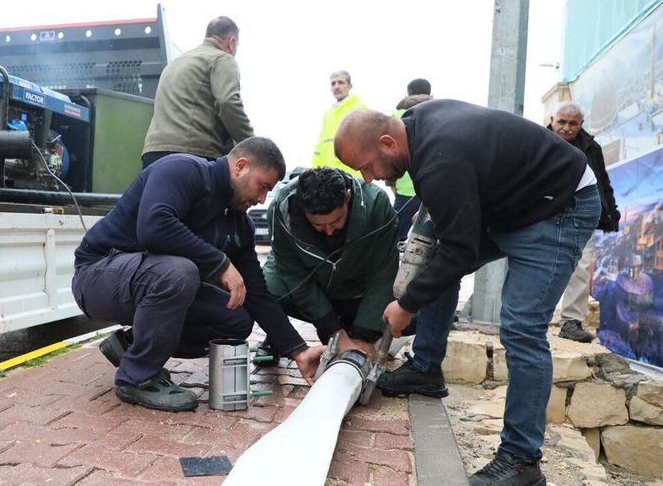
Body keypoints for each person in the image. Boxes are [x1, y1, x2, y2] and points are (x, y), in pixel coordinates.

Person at [334, 100, 600, 486]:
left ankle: (521, 461)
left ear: (389, 143)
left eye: (366, 166)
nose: (369, 177)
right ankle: (425, 369)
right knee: (433, 265)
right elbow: (453, 228)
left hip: (558, 205)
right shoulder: (419, 127)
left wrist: (406, 304)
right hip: (515, 201)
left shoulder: (441, 161)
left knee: (522, 327)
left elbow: (460, 249)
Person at [72, 136, 323, 412]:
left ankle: (133, 345)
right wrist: (220, 263)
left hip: (147, 281)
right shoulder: (183, 170)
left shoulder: (240, 224)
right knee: (181, 272)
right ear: (240, 166)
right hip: (98, 275)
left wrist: (298, 350)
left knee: (235, 320)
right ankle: (137, 377)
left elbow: (257, 293)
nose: (262, 198)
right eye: (262, 186)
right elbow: (154, 227)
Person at [255, 166, 457, 368]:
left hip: (354, 291)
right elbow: (293, 274)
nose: (328, 231)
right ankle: (278, 338)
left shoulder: (376, 204)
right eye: (318, 225)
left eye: (335, 221)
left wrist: (362, 336)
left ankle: (357, 329)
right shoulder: (282, 209)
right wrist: (333, 330)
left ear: (348, 197)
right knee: (264, 291)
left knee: (414, 313)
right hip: (307, 282)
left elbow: (383, 273)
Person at [548, 101, 621, 343]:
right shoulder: (537, 139)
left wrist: (611, 214)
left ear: (580, 124)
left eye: (573, 123)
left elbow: (602, 181)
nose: (567, 128)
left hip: (581, 214)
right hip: (544, 213)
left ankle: (571, 321)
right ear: (552, 119)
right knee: (537, 262)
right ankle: (530, 317)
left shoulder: (591, 147)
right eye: (562, 122)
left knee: (580, 267)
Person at [141, 16, 253, 168]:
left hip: (153, 154)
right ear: (232, 42)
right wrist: (252, 146)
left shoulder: (176, 62)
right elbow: (228, 103)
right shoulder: (222, 59)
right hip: (193, 156)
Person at [387, 91, 432, 240]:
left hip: (404, 192)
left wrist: (392, 183)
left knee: (395, 237)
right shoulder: (432, 112)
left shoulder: (395, 116)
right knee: (430, 236)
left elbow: (389, 153)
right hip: (428, 192)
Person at [311, 71, 367, 175]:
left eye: (341, 82)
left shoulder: (359, 109)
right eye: (333, 83)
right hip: (327, 176)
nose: (336, 86)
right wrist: (314, 171)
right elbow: (320, 147)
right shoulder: (328, 114)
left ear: (350, 86)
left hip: (350, 175)